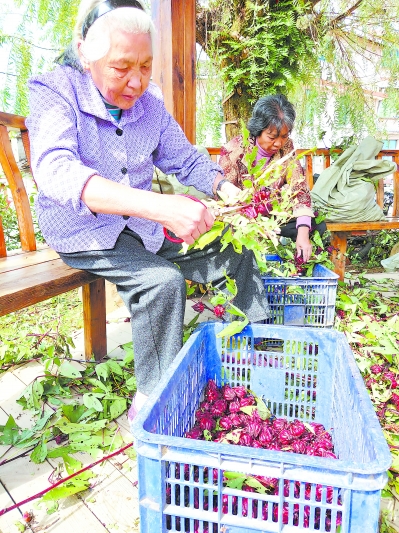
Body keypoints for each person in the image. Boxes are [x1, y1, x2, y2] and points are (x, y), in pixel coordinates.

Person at [26, 0, 270, 420]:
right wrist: (161, 206)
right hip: (83, 229)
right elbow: (56, 170)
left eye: (145, 66)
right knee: (162, 282)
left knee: (237, 251)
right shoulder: (54, 91)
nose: (137, 82)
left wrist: (224, 187)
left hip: (140, 226)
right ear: (85, 52)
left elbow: (184, 158)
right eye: (122, 68)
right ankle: (154, 406)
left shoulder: (150, 103)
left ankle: (260, 351)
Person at [219, 94, 326, 262]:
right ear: (257, 130)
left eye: (284, 136)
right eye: (272, 137)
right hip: (243, 220)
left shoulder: (287, 148)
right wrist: (251, 222)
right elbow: (224, 200)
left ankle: (297, 264)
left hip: (274, 217)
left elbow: (299, 191)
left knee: (315, 225)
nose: (278, 143)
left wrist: (303, 233)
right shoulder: (234, 152)